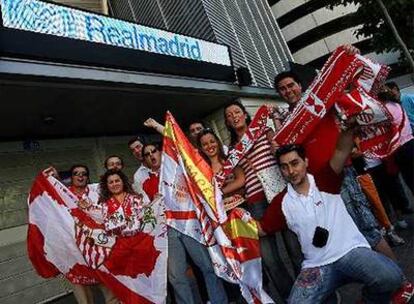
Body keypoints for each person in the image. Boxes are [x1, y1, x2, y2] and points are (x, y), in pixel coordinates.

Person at [259, 128, 404, 303]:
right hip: (316, 266)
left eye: (294, 163)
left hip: (351, 252)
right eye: (284, 167)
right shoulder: (280, 202)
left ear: (305, 161)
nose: (291, 171)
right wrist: (225, 223)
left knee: (392, 277)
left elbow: (342, 150)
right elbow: (261, 229)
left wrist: (350, 125)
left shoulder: (325, 178)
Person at [274, 69, 396, 261]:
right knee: (346, 235)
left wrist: (349, 54)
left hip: (342, 172)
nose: (288, 91)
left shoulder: (321, 102)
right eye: (282, 89)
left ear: (300, 86)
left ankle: (401, 282)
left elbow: (344, 84)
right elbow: (281, 150)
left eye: (291, 85)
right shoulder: (288, 123)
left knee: (367, 228)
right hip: (319, 184)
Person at [137, 142, 228, 304]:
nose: (151, 155)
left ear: (161, 152)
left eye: (154, 151)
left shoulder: (176, 169)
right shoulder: (144, 183)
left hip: (188, 223)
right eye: (147, 154)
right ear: (144, 160)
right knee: (176, 276)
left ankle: (219, 301)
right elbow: (146, 211)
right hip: (168, 230)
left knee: (207, 266)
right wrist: (153, 203)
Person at [224, 101, 294, 302]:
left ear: (245, 115)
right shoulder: (232, 150)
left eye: (237, 111)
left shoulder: (264, 131)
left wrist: (273, 119)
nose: (234, 116)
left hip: (279, 193)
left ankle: (312, 294)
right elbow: (241, 179)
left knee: (295, 248)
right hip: (255, 201)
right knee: (270, 259)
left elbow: (280, 150)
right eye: (229, 115)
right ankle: (291, 298)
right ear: (228, 123)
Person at [197, 129, 245, 211]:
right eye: (205, 144)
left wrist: (220, 191)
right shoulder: (201, 171)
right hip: (222, 213)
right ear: (201, 148)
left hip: (241, 206)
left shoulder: (230, 160)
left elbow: (241, 180)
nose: (209, 146)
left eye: (212, 141)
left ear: (218, 142)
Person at [379, 84, 414, 194]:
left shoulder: (384, 111)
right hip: (411, 142)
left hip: (400, 148)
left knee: (409, 178)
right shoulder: (397, 105)